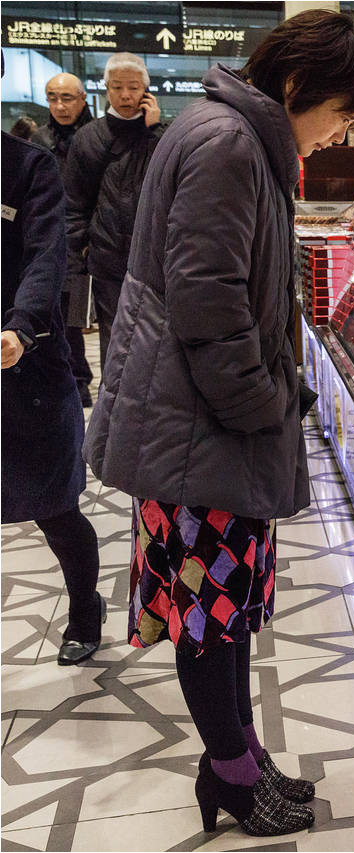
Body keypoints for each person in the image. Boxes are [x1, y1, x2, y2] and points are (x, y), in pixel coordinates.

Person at [83, 10, 354, 837]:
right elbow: (207, 305)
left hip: (205, 420)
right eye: (340, 116)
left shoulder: (233, 134)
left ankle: (241, 753)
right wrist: (264, 403)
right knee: (209, 611)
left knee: (229, 609)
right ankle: (229, 773)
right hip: (199, 425)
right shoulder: (228, 143)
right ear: (297, 86)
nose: (338, 136)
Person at [1, 131, 104, 666]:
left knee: (55, 508)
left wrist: (20, 328)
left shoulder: (28, 166)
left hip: (27, 363)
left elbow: (46, 256)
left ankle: (86, 611)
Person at [63, 52, 165, 375]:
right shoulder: (88, 138)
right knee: (114, 343)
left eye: (134, 87)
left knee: (158, 341)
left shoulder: (161, 135)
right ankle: (114, 416)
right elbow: (75, 204)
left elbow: (172, 185)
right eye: (117, 87)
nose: (125, 95)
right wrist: (75, 262)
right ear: (105, 88)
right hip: (106, 262)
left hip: (157, 260)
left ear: (146, 91)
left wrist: (155, 130)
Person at [32, 72, 95, 407]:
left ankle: (81, 378)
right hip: (49, 237)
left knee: (77, 315)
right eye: (52, 97)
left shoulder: (96, 136)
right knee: (53, 310)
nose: (59, 105)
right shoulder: (39, 139)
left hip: (87, 241)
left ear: (82, 99)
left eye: (67, 98)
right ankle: (68, 377)